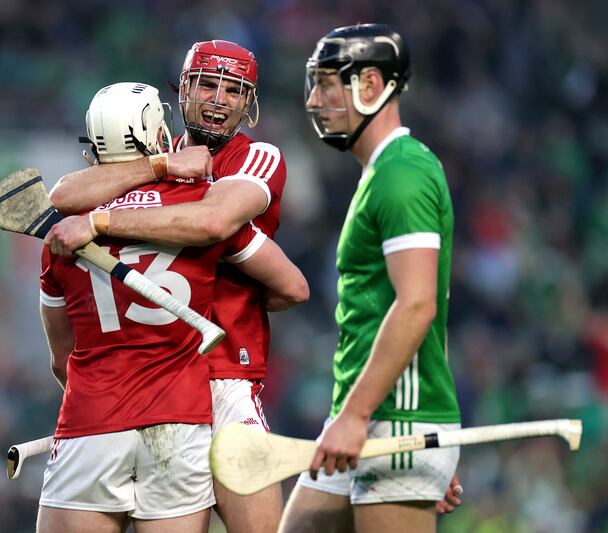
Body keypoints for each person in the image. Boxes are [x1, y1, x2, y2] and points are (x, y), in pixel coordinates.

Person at [36, 82, 308, 533]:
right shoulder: (197, 206)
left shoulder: (63, 234)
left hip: (93, 419)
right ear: (161, 135)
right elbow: (294, 287)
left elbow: (61, 360)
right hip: (181, 417)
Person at [278, 24, 462, 533]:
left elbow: (418, 305)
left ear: (372, 85)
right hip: (373, 415)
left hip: (393, 419)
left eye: (326, 85)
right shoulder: (381, 172)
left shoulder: (402, 174)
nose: (313, 100)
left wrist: (410, 427)